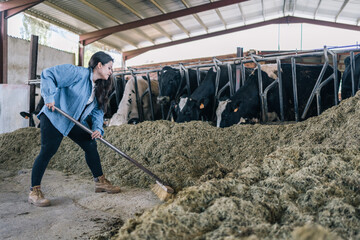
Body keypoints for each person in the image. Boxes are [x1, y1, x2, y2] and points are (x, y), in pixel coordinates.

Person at [29, 51, 121, 207]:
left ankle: (100, 182)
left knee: (90, 144)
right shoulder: (76, 73)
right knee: (48, 150)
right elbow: (48, 74)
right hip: (54, 116)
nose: (111, 72)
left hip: (72, 121)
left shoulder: (100, 85)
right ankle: (34, 191)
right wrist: (49, 97)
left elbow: (98, 110)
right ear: (99, 65)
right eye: (109, 68)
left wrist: (98, 128)